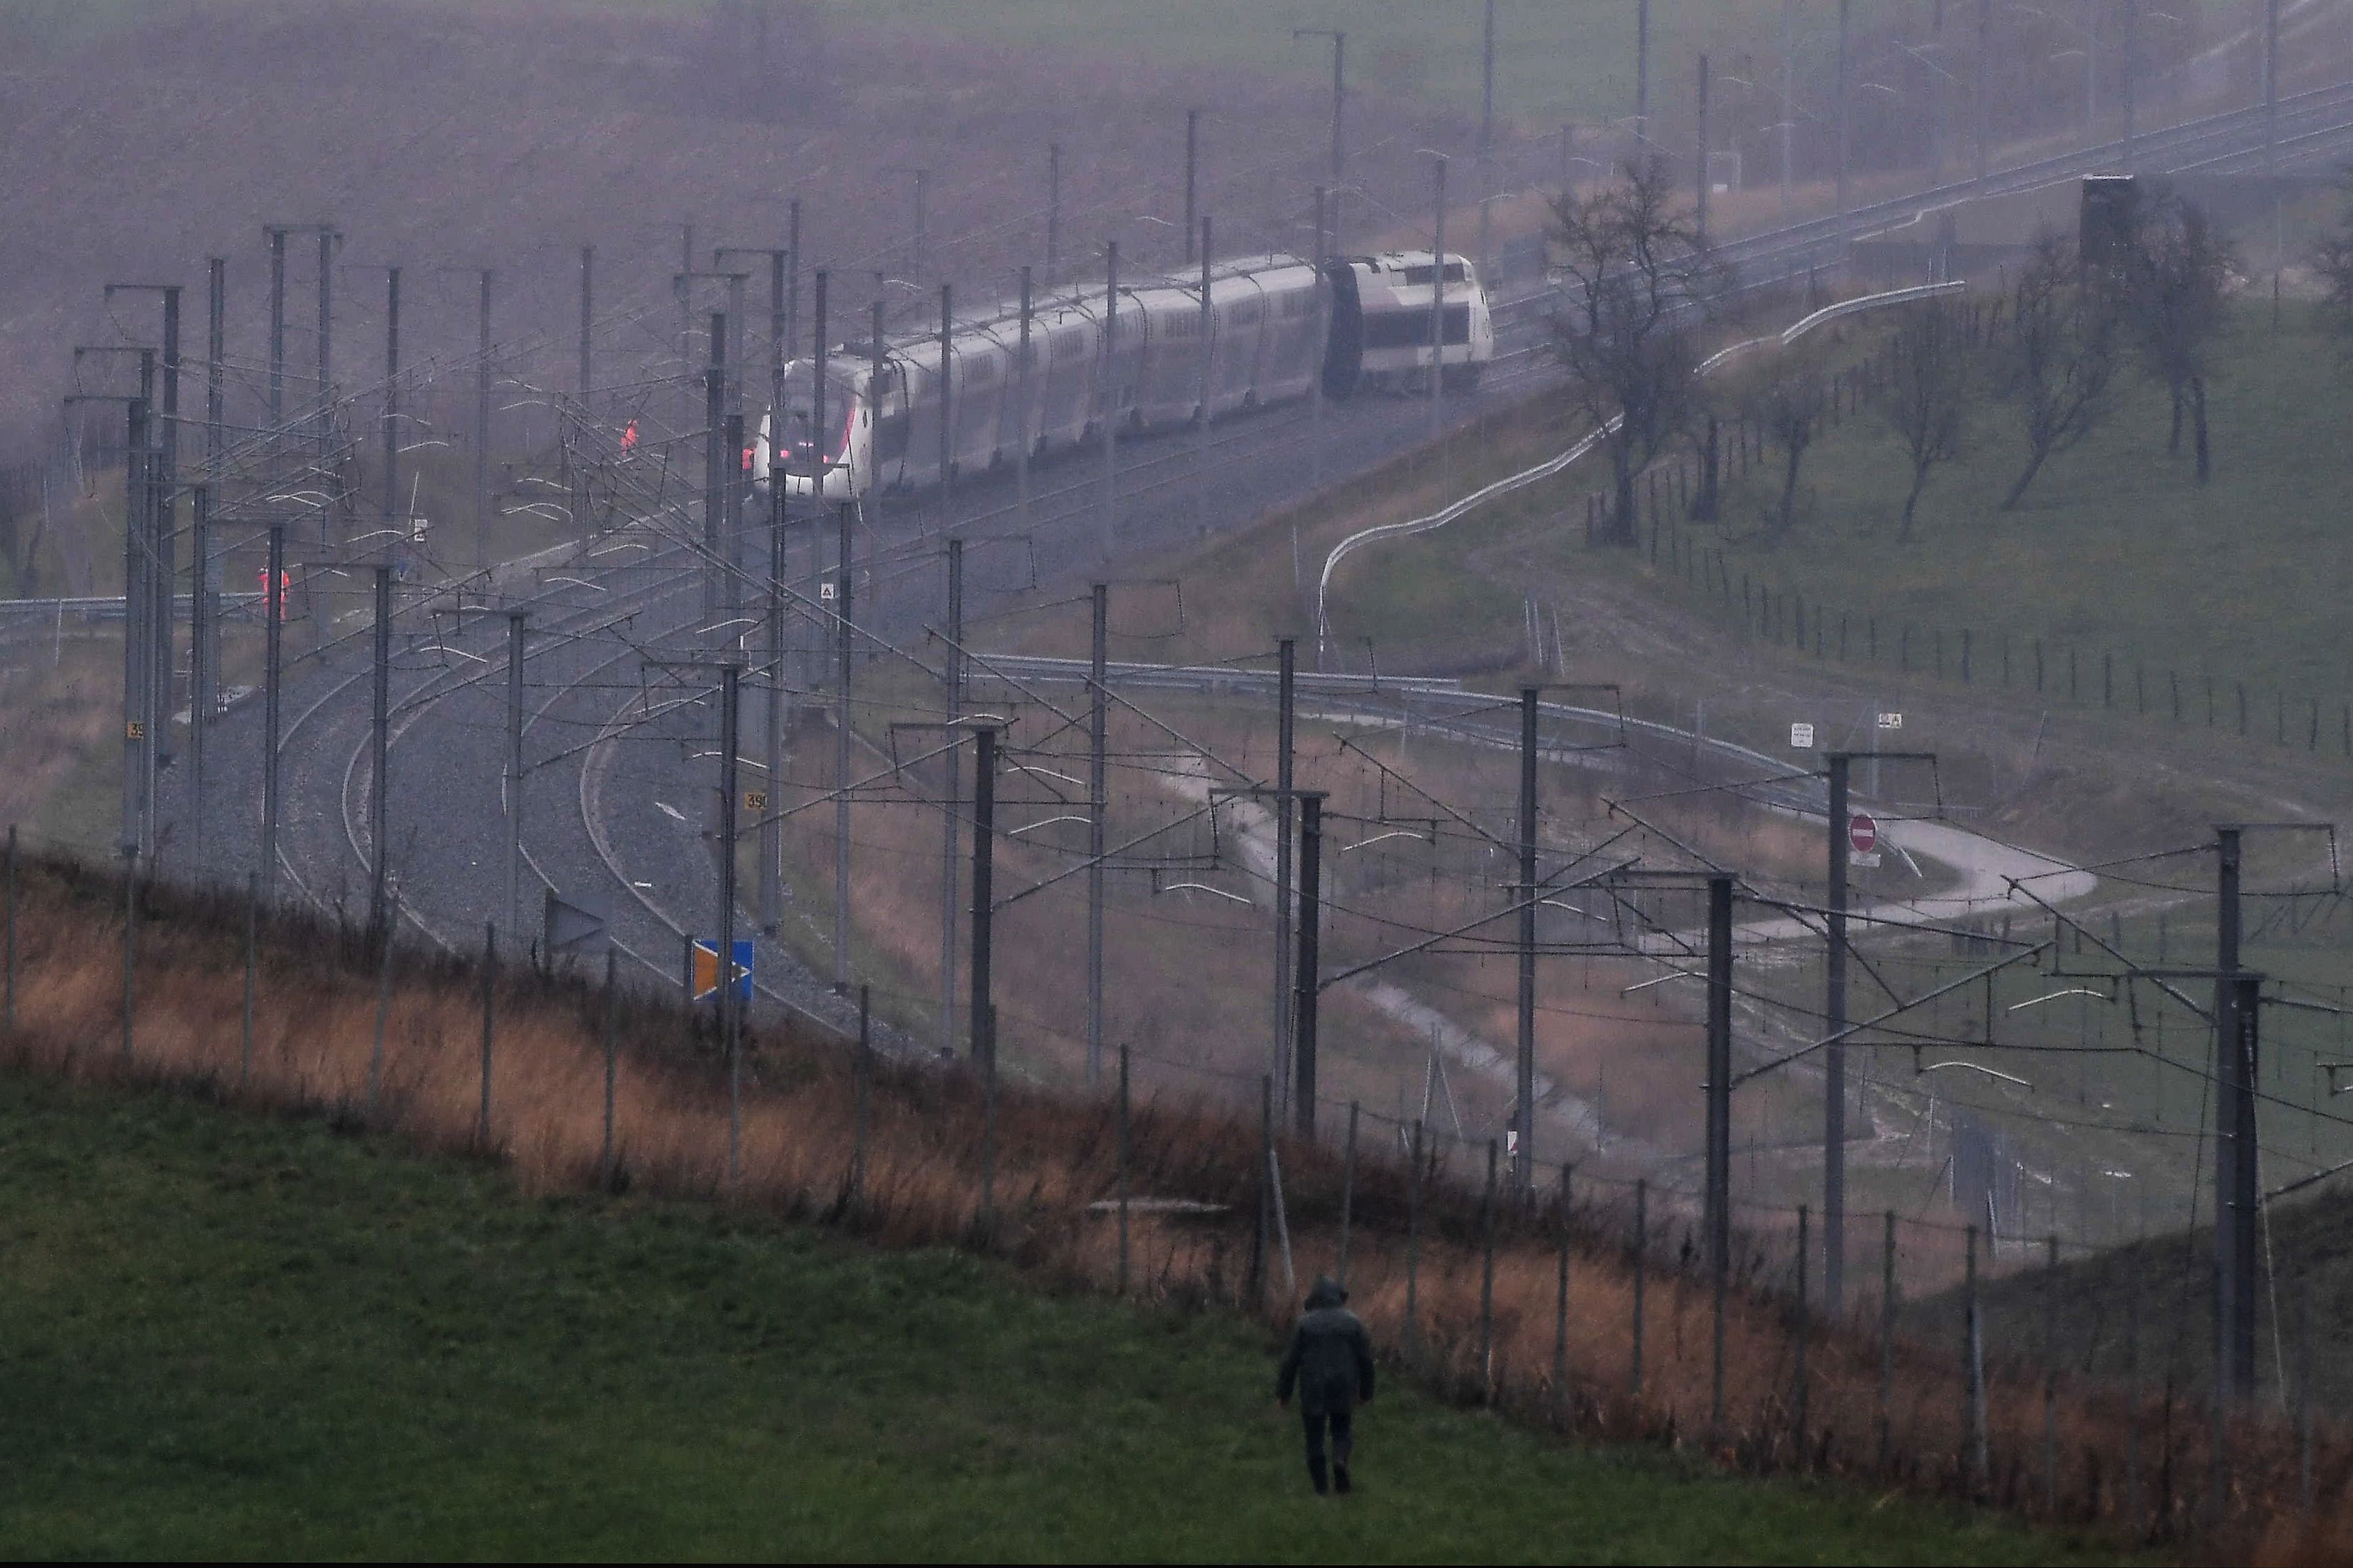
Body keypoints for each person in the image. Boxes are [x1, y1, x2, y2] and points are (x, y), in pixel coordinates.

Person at [1275, 1275, 1376, 1496]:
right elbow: (1366, 1360)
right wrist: (1366, 1392)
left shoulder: (1304, 1324)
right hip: (1344, 1385)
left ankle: (1321, 1488)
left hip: (1313, 1386)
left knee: (1314, 1435)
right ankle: (1340, 1459)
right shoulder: (1353, 1322)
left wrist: (1284, 1394)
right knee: (1342, 1429)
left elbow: (1290, 1361)